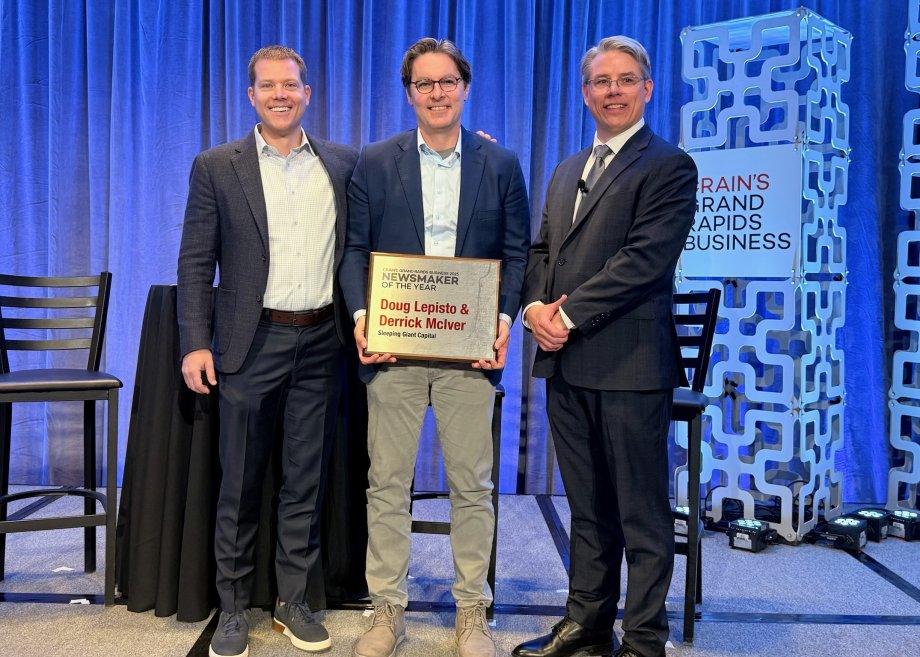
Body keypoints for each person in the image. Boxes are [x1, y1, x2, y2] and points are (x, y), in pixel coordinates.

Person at [339, 37, 530, 657]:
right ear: (410, 93)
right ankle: (385, 611)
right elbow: (354, 250)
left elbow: (517, 254)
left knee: (472, 488)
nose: (438, 93)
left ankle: (472, 613)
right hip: (393, 350)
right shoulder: (374, 160)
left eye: (447, 81)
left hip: (469, 353)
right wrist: (364, 317)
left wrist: (502, 320)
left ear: (465, 88)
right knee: (386, 485)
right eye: (425, 84)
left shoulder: (499, 164)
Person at [511, 36, 697, 657]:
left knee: (641, 514)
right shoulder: (568, 168)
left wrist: (569, 315)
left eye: (624, 80)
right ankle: (585, 626)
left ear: (647, 88)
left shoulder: (668, 165)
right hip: (566, 363)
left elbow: (644, 260)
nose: (611, 91)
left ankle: (643, 640)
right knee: (586, 506)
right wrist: (535, 308)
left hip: (630, 365)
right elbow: (542, 252)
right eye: (600, 81)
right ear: (585, 93)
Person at [177, 45, 358, 657]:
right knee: (240, 483)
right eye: (268, 86)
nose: (281, 95)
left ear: (309, 93)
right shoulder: (216, 166)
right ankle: (231, 609)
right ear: (250, 95)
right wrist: (194, 344)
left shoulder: (343, 163)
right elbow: (196, 263)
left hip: (321, 343)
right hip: (249, 345)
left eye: (291, 85)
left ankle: (293, 602)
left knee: (304, 483)